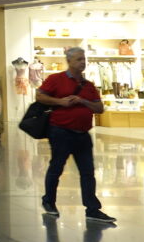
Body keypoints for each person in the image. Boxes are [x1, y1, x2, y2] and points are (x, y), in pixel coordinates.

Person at [36, 47, 116, 224]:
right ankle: (48, 201)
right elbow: (39, 96)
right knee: (56, 167)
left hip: (82, 134)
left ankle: (92, 209)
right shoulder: (55, 79)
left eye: (84, 59)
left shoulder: (88, 86)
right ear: (69, 61)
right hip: (60, 132)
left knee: (88, 172)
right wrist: (60, 102)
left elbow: (99, 108)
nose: (83, 62)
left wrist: (83, 101)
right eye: (79, 59)